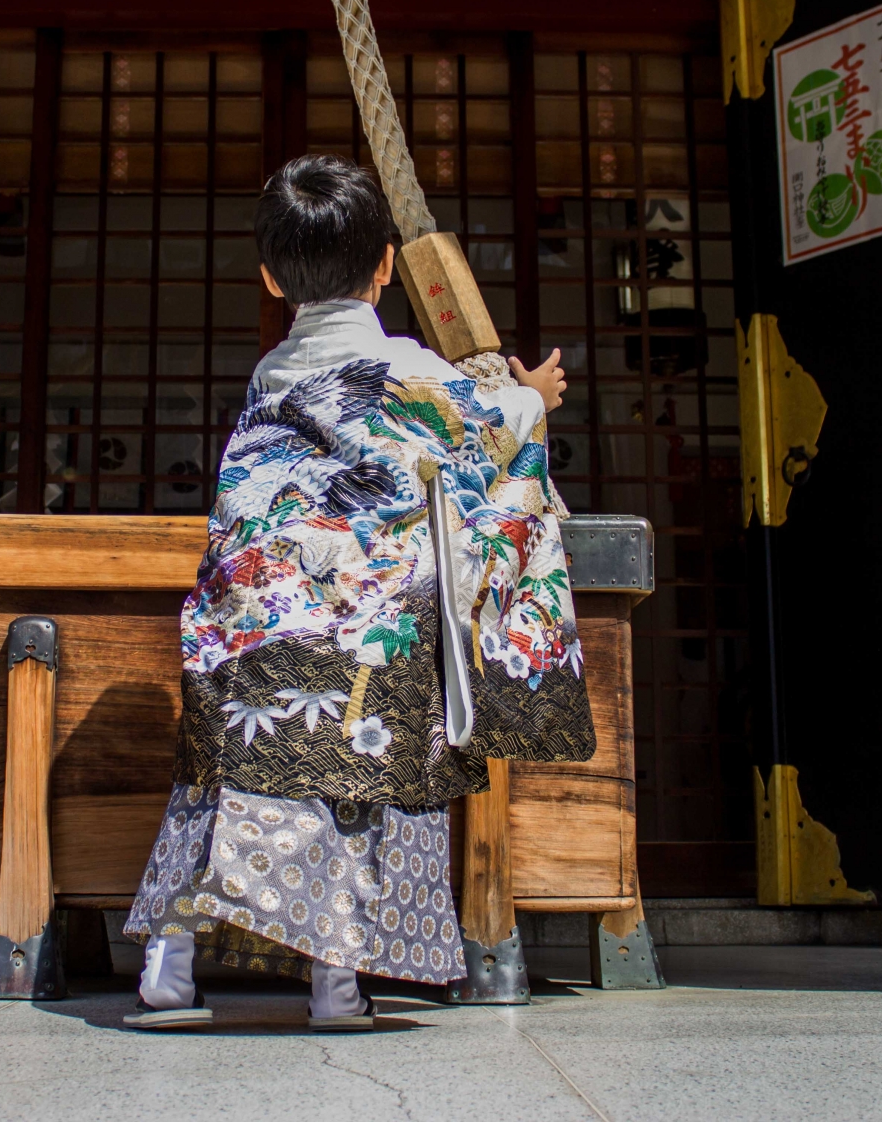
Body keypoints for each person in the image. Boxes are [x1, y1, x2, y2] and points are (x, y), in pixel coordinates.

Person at [122, 154, 589, 1032]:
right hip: (367, 637)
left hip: (252, 627)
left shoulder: (270, 379)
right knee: (359, 787)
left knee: (218, 781)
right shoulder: (406, 370)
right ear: (385, 265)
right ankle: (338, 984)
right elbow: (494, 426)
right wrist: (534, 396)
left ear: (269, 276)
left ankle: (168, 970)